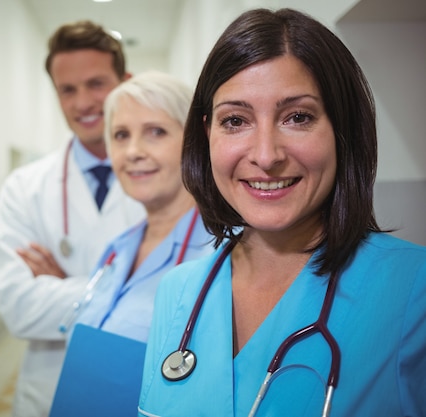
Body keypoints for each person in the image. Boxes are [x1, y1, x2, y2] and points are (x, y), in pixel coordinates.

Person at [138, 8, 426, 417]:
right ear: (207, 135)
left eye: (298, 117)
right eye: (235, 120)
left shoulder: (414, 293)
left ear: (342, 131)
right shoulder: (177, 292)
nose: (266, 155)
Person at [0, 20, 145, 417]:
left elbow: (185, 301)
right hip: (48, 391)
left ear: (125, 83)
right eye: (68, 90)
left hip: (140, 388)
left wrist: (65, 287)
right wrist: (129, 290)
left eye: (96, 84)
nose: (83, 103)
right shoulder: (24, 188)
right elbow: (19, 309)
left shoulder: (174, 180)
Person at [62, 71, 214, 343]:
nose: (133, 151)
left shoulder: (222, 254)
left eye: (156, 132)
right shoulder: (119, 249)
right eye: (121, 135)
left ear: (195, 142)